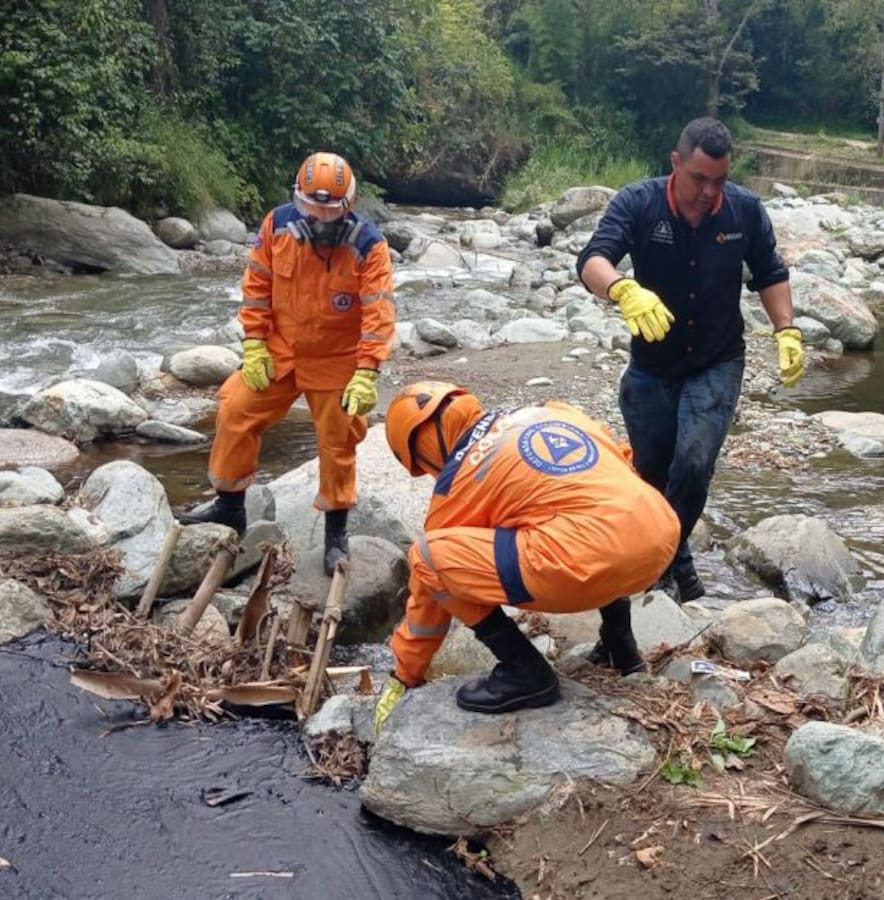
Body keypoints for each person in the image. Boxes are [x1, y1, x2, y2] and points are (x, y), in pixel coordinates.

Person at [575, 116, 802, 604]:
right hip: (652, 366)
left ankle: (657, 566)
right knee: (653, 476)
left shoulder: (743, 211)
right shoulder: (639, 203)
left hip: (716, 361)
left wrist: (787, 329)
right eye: (699, 178)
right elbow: (593, 259)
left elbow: (770, 271)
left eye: (719, 180)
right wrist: (622, 289)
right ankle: (679, 563)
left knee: (694, 465)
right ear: (676, 163)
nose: (709, 191)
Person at [373, 381, 680, 731]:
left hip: (588, 562)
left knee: (427, 555)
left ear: (421, 451)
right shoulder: (550, 410)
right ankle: (621, 645)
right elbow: (618, 456)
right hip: (661, 531)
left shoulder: (455, 487)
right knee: (589, 514)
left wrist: (405, 674)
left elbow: (429, 597)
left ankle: (525, 671)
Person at [180, 152, 395, 576]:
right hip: (280, 349)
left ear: (348, 204)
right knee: (235, 409)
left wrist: (367, 370)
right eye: (310, 208)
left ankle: (336, 531)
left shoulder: (368, 245)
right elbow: (257, 286)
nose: (317, 218)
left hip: (336, 356)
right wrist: (255, 343)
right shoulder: (276, 225)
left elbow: (379, 312)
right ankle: (230, 507)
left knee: (338, 440)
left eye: (328, 210)